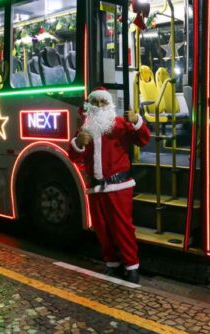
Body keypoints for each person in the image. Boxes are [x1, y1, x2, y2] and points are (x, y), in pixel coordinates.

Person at [68, 88, 150, 283]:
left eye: (102, 103)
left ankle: (132, 267)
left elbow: (143, 139)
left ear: (109, 105)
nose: (98, 106)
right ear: (90, 106)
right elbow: (73, 154)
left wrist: (137, 121)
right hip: (96, 189)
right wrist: (78, 142)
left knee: (122, 228)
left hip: (119, 187)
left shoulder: (121, 124)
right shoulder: (84, 129)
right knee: (102, 229)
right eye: (95, 103)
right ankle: (112, 264)